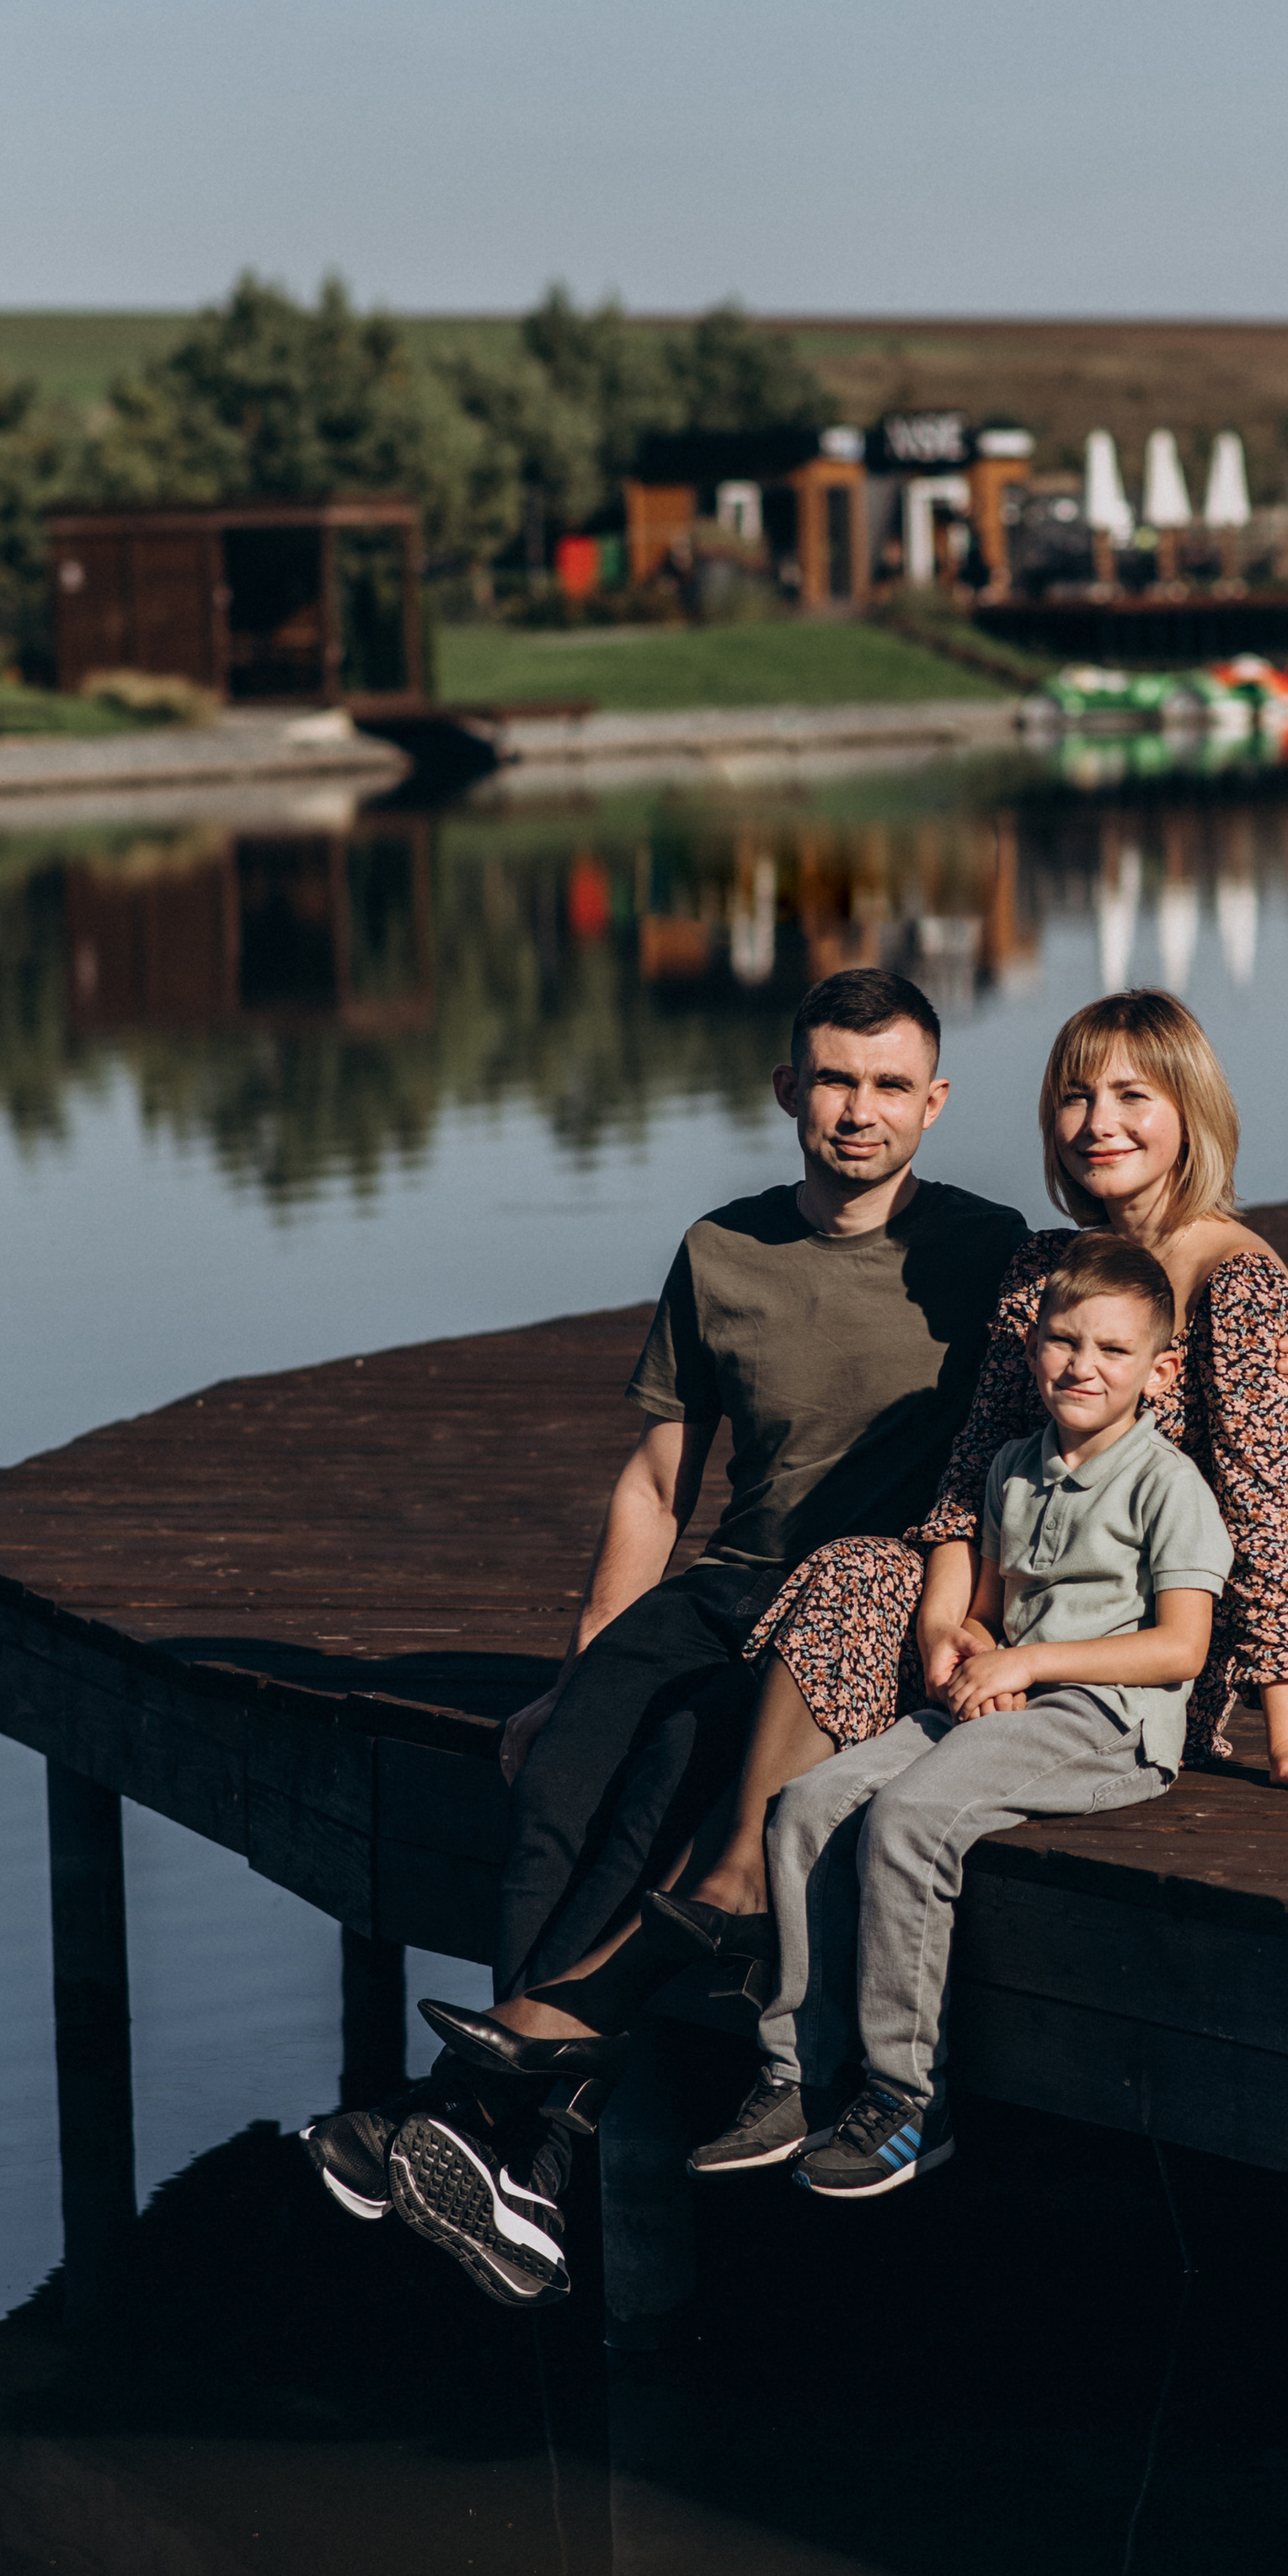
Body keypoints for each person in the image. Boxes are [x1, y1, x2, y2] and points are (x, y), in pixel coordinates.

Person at [303, 964, 1027, 2303]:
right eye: (831, 1080)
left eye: (886, 1086)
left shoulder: (990, 1249)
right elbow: (656, 1485)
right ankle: (513, 2155)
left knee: (666, 1789)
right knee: (564, 1770)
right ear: (785, 1089)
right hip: (730, 1579)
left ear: (932, 1101)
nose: (856, 1111)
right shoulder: (722, 1250)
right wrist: (576, 1672)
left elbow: (1145, 1309)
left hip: (858, 1606)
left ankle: (484, 2131)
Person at [655, 988, 1288, 1983]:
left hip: (1144, 1645)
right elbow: (973, 1468)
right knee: (853, 1572)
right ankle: (741, 1884)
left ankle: (734, 1918)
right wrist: (944, 1623)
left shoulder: (1235, 1278)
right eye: (1074, 1097)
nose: (1099, 1124)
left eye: (1133, 1097)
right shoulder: (1043, 1268)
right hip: (1017, 1610)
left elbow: (1269, 1510)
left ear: (1189, 1110)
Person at [685, 1233, 1230, 2188]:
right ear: (1029, 1349)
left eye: (1112, 1349)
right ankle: (797, 2074)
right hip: (1003, 1701)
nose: (1082, 1365)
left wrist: (1030, 1659)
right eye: (1063, 1341)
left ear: (1161, 1367)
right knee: (807, 1804)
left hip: (1109, 1721)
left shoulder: (1166, 1481)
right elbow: (982, 1603)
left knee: (908, 1817)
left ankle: (906, 2096)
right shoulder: (1013, 1466)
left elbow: (1180, 1646)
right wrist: (972, 1643)